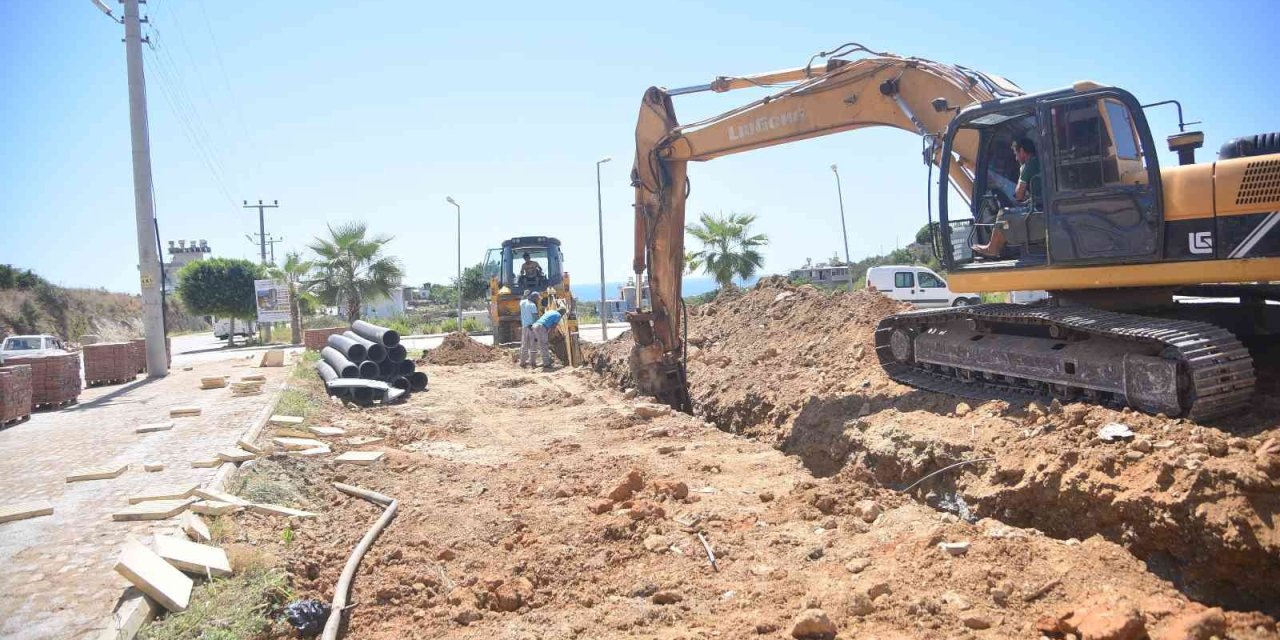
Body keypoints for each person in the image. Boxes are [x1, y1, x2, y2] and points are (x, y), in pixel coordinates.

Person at [972, 137, 1042, 258]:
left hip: (1038, 210)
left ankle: (992, 248)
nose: (1016, 158)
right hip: (1042, 206)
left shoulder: (1028, 166)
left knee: (1003, 214)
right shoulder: (1040, 162)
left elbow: (1019, 195)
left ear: (1022, 151)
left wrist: (1022, 173)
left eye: (1016, 154)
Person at [529, 303, 565, 369]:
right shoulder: (558, 315)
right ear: (562, 313)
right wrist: (550, 335)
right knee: (544, 345)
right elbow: (553, 327)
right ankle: (546, 364)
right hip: (541, 328)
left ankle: (533, 362)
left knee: (537, 345)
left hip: (535, 326)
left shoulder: (551, 311)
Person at [518, 291, 540, 368]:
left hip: (524, 327)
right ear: (534, 298)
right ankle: (532, 362)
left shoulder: (522, 303)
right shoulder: (533, 305)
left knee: (524, 345)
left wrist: (524, 294)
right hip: (531, 328)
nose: (538, 300)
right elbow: (535, 318)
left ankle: (522, 362)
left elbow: (522, 298)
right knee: (533, 345)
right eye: (537, 299)